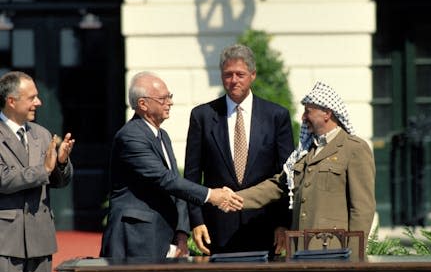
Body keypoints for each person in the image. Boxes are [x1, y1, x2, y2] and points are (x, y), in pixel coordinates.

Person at [100, 71, 242, 259]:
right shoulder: (130, 136)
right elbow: (165, 180)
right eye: (163, 98)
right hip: (135, 239)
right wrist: (211, 195)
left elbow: (176, 186)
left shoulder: (162, 136)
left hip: (162, 237)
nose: (170, 102)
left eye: (170, 96)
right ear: (143, 104)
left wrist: (182, 234)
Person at [235, 81, 376, 255]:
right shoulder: (305, 151)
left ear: (327, 113)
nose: (303, 117)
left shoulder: (354, 148)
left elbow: (362, 209)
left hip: (334, 253)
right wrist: (234, 198)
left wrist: (354, 257)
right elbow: (278, 186)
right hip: (300, 252)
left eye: (308, 111)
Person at [185, 44, 294, 255]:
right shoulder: (203, 116)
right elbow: (192, 177)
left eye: (240, 74)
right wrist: (196, 221)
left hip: (265, 226)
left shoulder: (276, 116)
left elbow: (287, 176)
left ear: (252, 75)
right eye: (228, 75)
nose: (234, 80)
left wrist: (283, 223)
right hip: (217, 229)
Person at [0, 71, 75, 272]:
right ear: (11, 101)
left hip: (40, 240)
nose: (38, 102)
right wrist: (44, 169)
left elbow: (58, 181)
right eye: (32, 98)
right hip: (5, 242)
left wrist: (62, 163)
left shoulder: (42, 135)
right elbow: (4, 179)